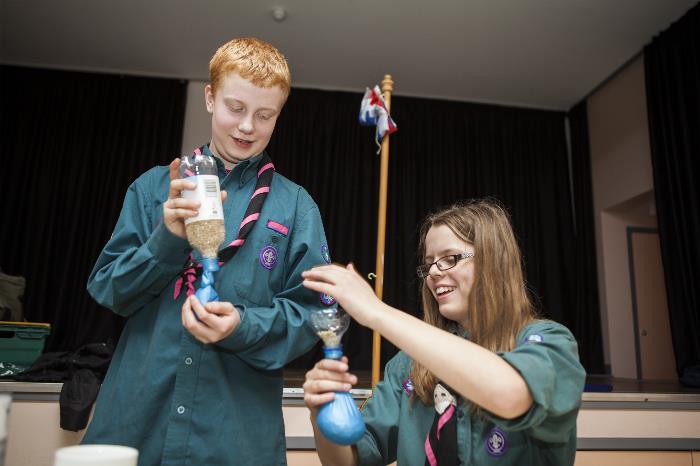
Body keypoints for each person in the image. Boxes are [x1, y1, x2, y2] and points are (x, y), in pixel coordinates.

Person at [83, 37, 333, 465]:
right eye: (235, 108)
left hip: (235, 440)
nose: (247, 127)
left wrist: (243, 326)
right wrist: (166, 239)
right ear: (209, 97)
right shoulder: (153, 188)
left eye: (265, 115)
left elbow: (314, 315)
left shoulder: (296, 207)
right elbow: (109, 291)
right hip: (137, 427)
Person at [301, 199, 586, 466]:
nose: (434, 273)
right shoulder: (409, 365)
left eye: (449, 258)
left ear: (493, 261)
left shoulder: (551, 343)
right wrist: (322, 412)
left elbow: (510, 396)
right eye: (429, 264)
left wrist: (376, 312)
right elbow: (350, 459)